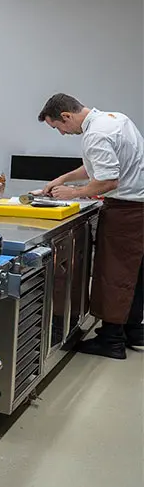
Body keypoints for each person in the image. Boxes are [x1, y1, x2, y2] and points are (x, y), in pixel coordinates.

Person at [37, 93, 144, 358]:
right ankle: (134, 331)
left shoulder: (95, 134)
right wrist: (62, 179)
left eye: (58, 127)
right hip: (139, 207)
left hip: (127, 212)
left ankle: (111, 341)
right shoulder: (115, 119)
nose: (62, 133)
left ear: (66, 116)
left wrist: (72, 194)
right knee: (134, 274)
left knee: (114, 273)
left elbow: (108, 181)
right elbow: (94, 167)